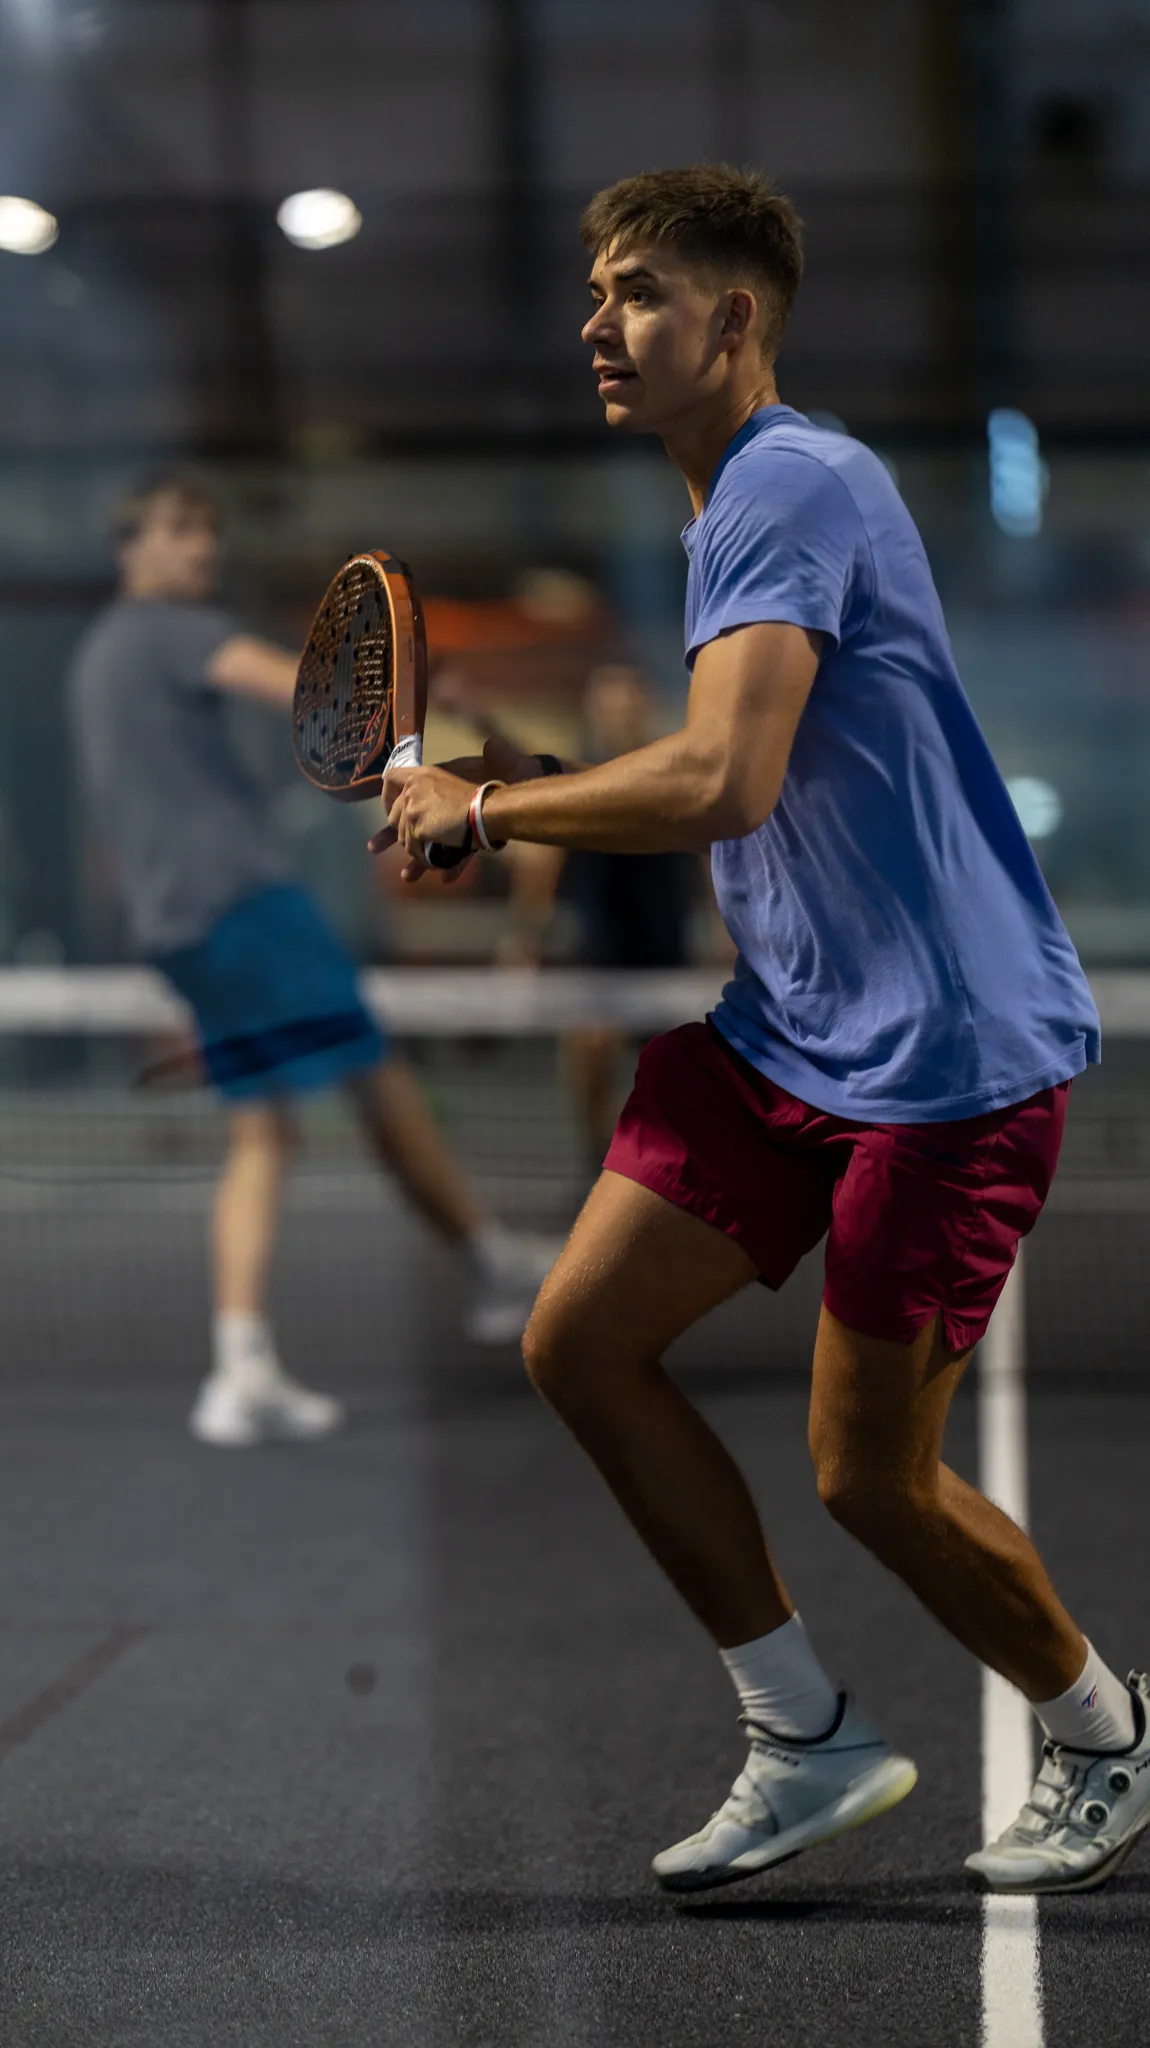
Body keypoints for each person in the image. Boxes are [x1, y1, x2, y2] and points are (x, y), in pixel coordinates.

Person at [377, 164, 1149, 1898]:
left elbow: (727, 776)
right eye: (596, 291)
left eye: (640, 291)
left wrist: (492, 808)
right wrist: (499, 804)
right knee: (579, 1337)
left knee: (870, 1475)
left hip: (949, 1060)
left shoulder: (791, 480)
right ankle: (803, 1734)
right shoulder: (733, 505)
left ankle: (1106, 1729)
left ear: (735, 320)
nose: (600, 322)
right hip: (791, 1034)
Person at [69, 474, 558, 1447]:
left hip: (176, 927)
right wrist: (421, 695)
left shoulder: (93, 659)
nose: (199, 547)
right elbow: (302, 683)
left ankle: (240, 1364)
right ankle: (489, 1261)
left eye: (207, 528)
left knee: (265, 1133)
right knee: (377, 1080)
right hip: (246, 902)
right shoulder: (169, 629)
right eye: (177, 528)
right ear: (130, 546)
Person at [503, 662, 699, 1165]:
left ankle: (668, 1173)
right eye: (608, 707)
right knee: (590, 1049)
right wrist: (525, 941)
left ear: (645, 709)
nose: (618, 717)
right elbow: (542, 865)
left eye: (627, 707)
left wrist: (744, 941)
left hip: (664, 947)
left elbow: (716, 858)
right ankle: (598, 1161)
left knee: (681, 1078)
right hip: (595, 949)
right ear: (592, 713)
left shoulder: (677, 781)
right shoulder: (570, 785)